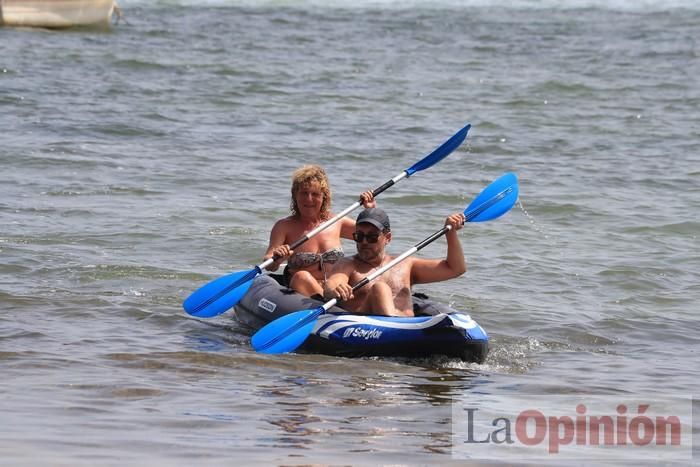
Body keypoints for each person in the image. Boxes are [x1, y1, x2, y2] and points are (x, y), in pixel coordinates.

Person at [322, 207, 466, 317]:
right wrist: (335, 289)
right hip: (367, 330)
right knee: (380, 288)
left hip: (406, 327)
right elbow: (333, 283)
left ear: (388, 238)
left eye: (372, 237)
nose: (364, 242)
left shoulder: (405, 265)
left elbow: (455, 269)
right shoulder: (348, 264)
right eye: (359, 236)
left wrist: (451, 233)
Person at [264, 165, 375, 297]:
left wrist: (370, 210)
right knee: (302, 276)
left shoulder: (337, 221)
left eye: (315, 194)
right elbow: (269, 264)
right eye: (304, 193)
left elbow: (373, 237)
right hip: (302, 289)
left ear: (324, 197)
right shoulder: (283, 226)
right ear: (295, 195)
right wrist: (277, 258)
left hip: (335, 288)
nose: (309, 199)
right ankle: (332, 305)